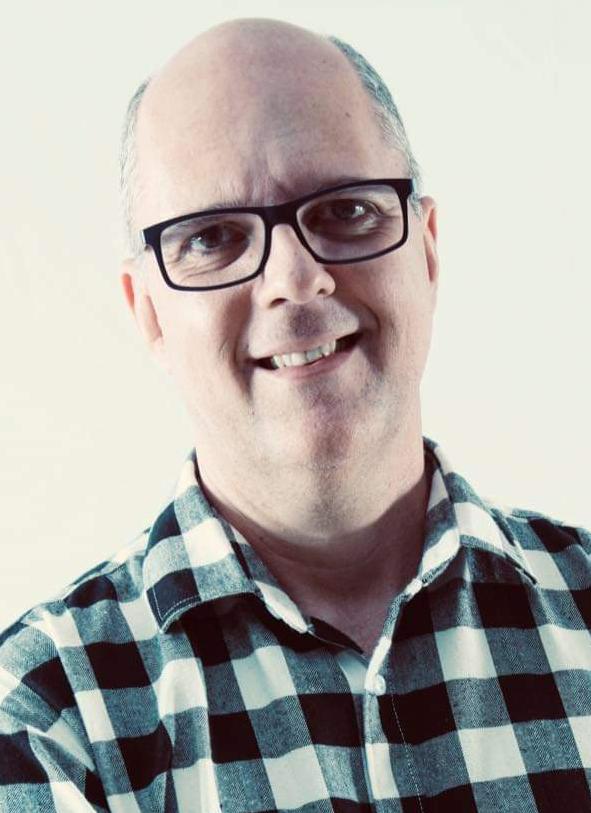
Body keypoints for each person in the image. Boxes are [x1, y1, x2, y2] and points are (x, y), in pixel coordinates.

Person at [1, 16, 590, 813]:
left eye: (345, 211)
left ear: (426, 248)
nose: (293, 279)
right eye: (212, 237)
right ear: (148, 314)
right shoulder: (46, 718)